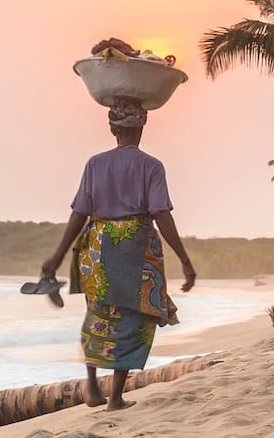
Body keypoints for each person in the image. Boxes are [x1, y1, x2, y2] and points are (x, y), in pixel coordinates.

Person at [41, 98, 196, 411]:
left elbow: (79, 213)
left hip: (96, 244)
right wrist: (184, 258)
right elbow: (160, 213)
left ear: (113, 128)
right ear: (141, 127)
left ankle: (93, 386)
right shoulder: (151, 166)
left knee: (98, 314)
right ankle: (115, 397)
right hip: (133, 245)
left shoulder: (95, 164)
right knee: (132, 318)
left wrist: (57, 256)